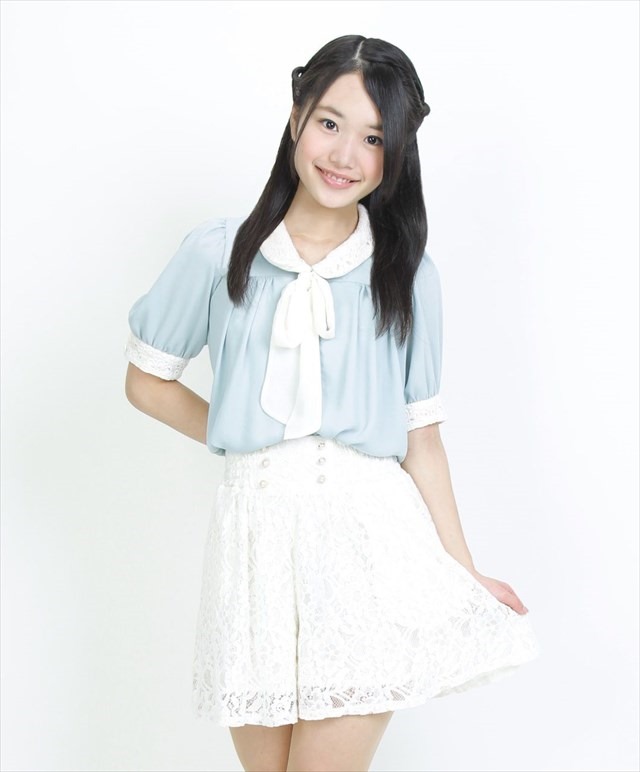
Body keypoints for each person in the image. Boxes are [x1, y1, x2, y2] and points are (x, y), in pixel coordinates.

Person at [124, 34, 540, 772]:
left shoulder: (406, 275)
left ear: (395, 155)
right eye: (330, 123)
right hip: (253, 544)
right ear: (296, 118)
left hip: (365, 540)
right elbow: (147, 382)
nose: (346, 154)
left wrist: (463, 569)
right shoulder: (218, 254)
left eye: (374, 138)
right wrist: (242, 434)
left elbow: (422, 439)